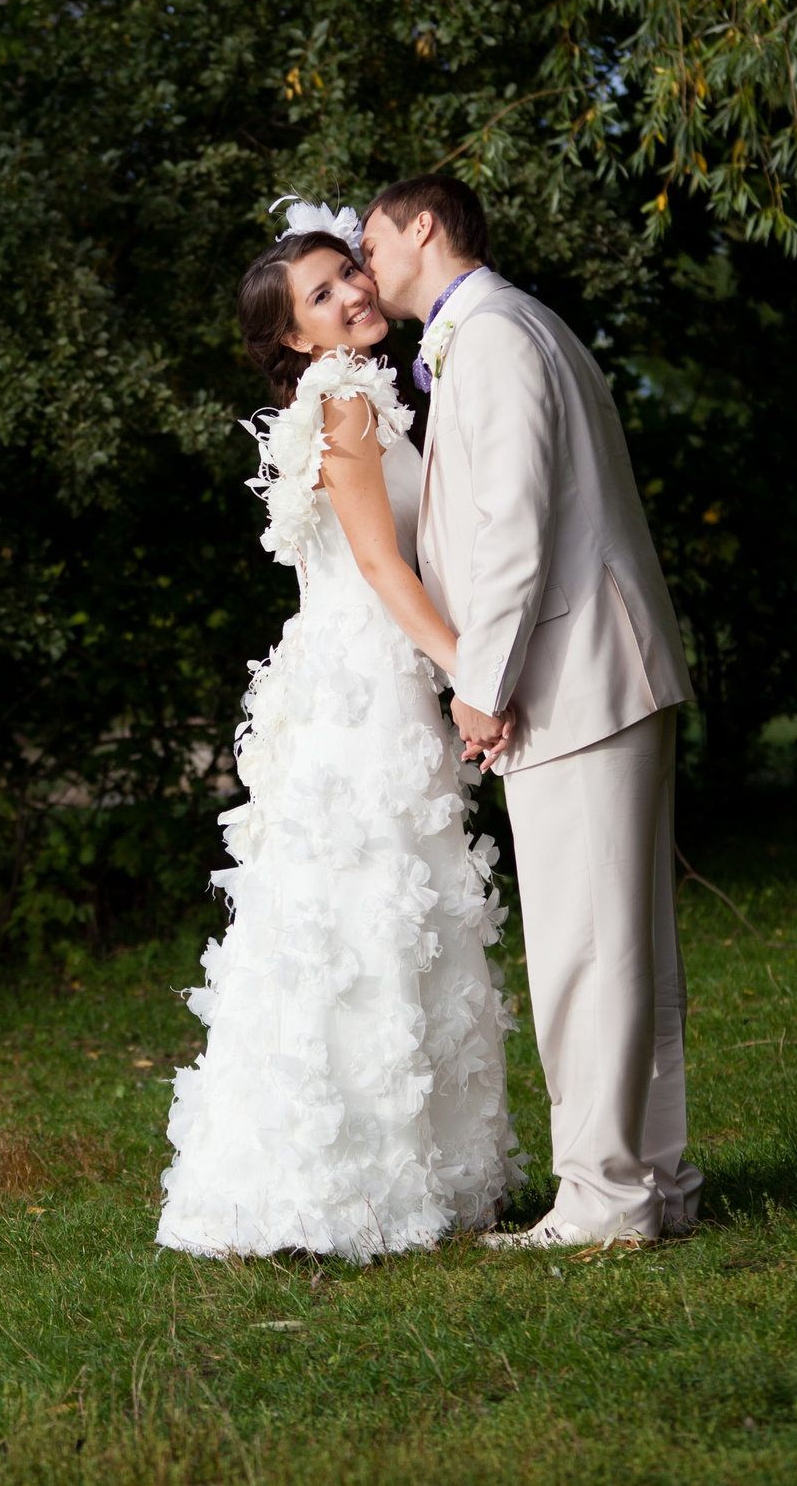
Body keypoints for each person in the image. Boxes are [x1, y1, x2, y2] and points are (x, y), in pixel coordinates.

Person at [156, 203, 520, 1262]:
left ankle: (399, 1169)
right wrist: (473, 669)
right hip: (364, 691)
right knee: (369, 915)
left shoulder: (352, 392)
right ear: (292, 340)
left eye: (351, 273)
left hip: (355, 682)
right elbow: (378, 567)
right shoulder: (348, 400)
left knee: (373, 916)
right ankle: (345, 1179)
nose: (355, 293)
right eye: (322, 296)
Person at [359, 175, 699, 1247]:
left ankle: (604, 1198)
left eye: (371, 239)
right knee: (619, 942)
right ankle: (648, 1180)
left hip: (575, 677)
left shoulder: (497, 335)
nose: (363, 263)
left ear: (422, 226)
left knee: (586, 950)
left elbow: (514, 525)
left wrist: (481, 684)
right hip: (596, 669)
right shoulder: (508, 325)